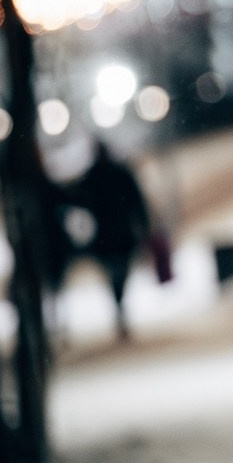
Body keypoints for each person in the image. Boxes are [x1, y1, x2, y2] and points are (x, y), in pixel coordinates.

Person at [71, 141, 151, 342]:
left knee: (116, 274)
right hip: (118, 235)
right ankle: (119, 307)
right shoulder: (117, 173)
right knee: (119, 273)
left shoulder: (95, 176)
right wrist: (143, 226)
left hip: (108, 237)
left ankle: (119, 306)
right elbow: (137, 201)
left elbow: (78, 199)